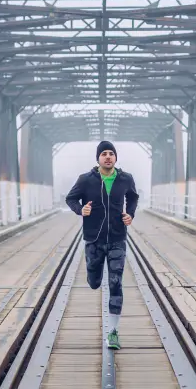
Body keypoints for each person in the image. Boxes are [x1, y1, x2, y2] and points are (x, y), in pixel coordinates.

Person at [65, 141, 140, 350]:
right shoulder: (86, 180)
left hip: (117, 238)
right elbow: (71, 199)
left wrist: (130, 214)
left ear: (115, 157)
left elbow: (133, 197)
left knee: (115, 283)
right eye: (104, 154)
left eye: (111, 153)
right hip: (93, 239)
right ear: (98, 158)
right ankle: (93, 276)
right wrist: (81, 210)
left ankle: (113, 332)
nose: (108, 157)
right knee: (94, 281)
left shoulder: (125, 179)